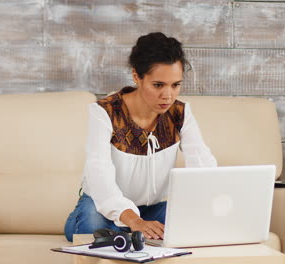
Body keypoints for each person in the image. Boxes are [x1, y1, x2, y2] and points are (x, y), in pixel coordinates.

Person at [64, 32, 217, 242]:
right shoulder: (104, 112)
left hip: (150, 210)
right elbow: (98, 174)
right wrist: (134, 221)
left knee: (193, 222)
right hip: (102, 207)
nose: (168, 96)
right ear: (137, 76)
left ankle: (127, 238)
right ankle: (130, 234)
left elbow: (203, 165)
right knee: (93, 225)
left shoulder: (181, 113)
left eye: (175, 85)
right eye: (158, 85)